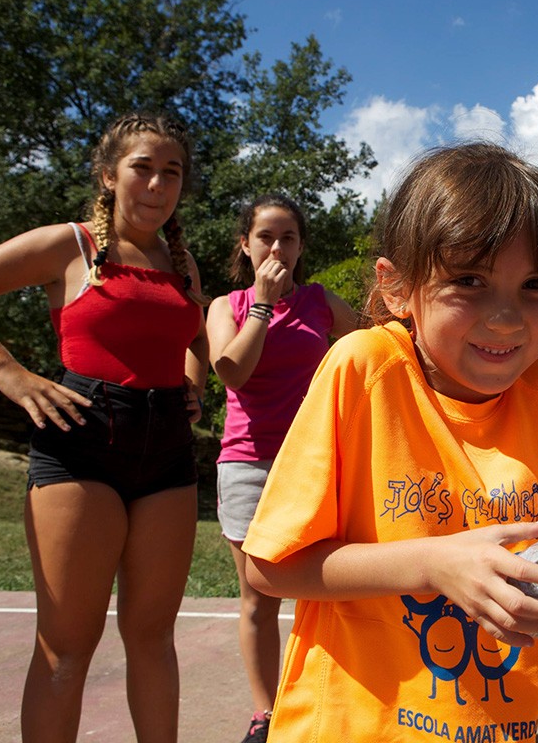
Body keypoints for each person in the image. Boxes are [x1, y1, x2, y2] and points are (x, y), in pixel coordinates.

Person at [238, 142, 538, 743]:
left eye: (536, 284)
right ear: (396, 287)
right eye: (469, 280)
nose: (507, 318)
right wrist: (435, 564)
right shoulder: (364, 368)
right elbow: (271, 566)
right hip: (354, 726)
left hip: (496, 722)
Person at [0, 112, 208, 743]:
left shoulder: (182, 262)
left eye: (172, 172)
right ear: (109, 176)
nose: (157, 184)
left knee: (154, 637)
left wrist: (193, 380)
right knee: (67, 644)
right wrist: (8, 373)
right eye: (143, 168)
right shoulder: (70, 245)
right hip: (79, 442)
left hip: (167, 453)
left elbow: (194, 334)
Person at [207, 194, 358, 743]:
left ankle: (326, 698)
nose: (278, 247)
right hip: (247, 463)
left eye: (289, 237)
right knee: (258, 595)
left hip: (314, 461)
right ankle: (265, 713)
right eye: (266, 236)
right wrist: (264, 307)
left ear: (301, 246)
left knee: (325, 590)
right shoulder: (227, 306)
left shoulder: (321, 302)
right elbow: (233, 372)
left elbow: (376, 339)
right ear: (245, 244)